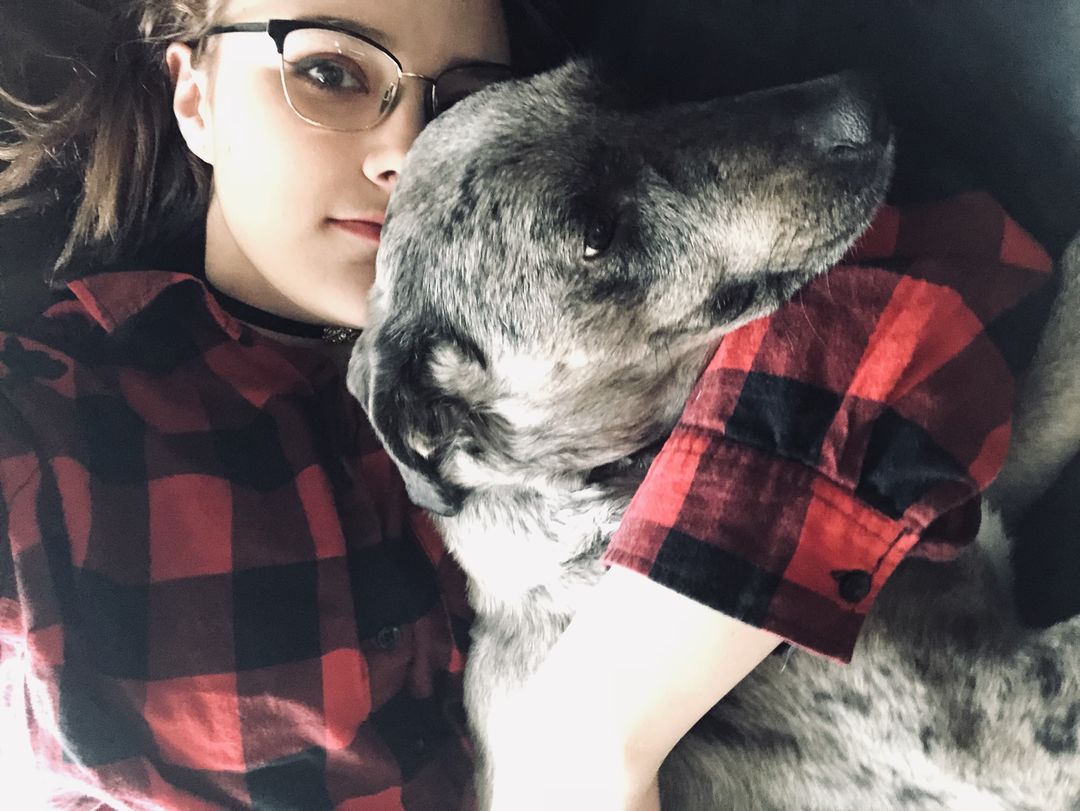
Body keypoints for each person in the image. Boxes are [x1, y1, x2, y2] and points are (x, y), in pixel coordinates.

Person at [0, 1, 1054, 810]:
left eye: (466, 104)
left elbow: (907, 291)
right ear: (193, 95)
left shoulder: (606, 359)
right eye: (328, 72)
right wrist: (591, 743)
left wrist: (603, 712)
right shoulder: (50, 429)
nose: (407, 153)